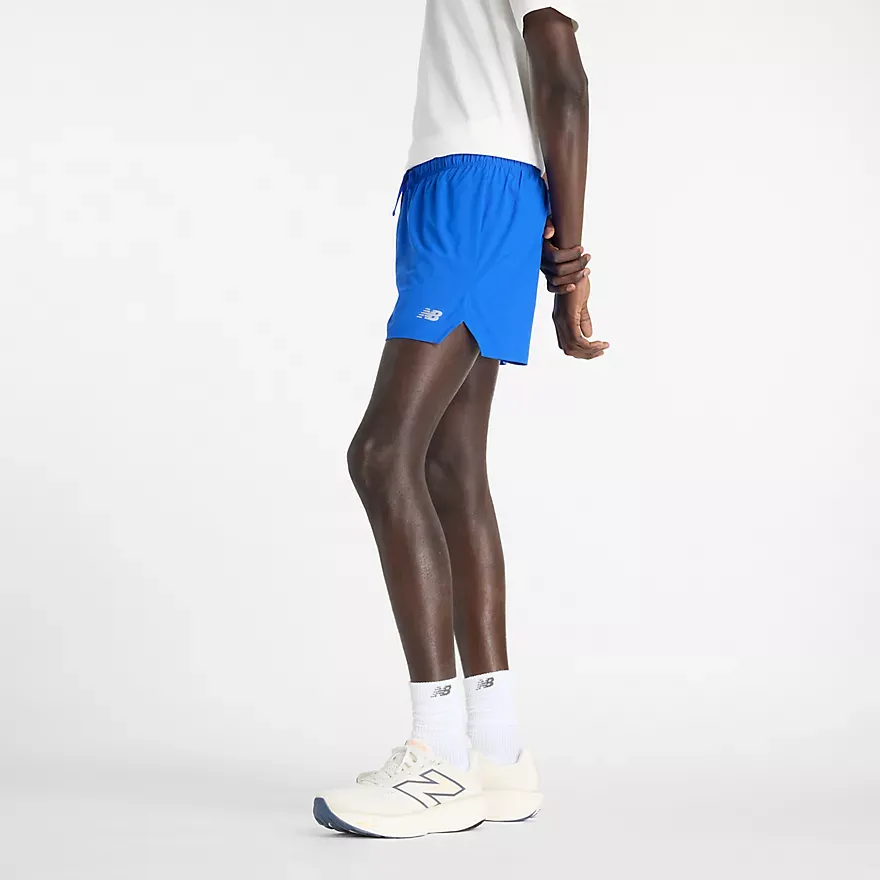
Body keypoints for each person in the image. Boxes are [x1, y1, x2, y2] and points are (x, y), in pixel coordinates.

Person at [313, 0, 608, 838]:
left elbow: (565, 78)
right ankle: (497, 752)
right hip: (453, 182)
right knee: (449, 467)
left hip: (480, 186)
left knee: (381, 455)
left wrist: (569, 265)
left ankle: (437, 756)